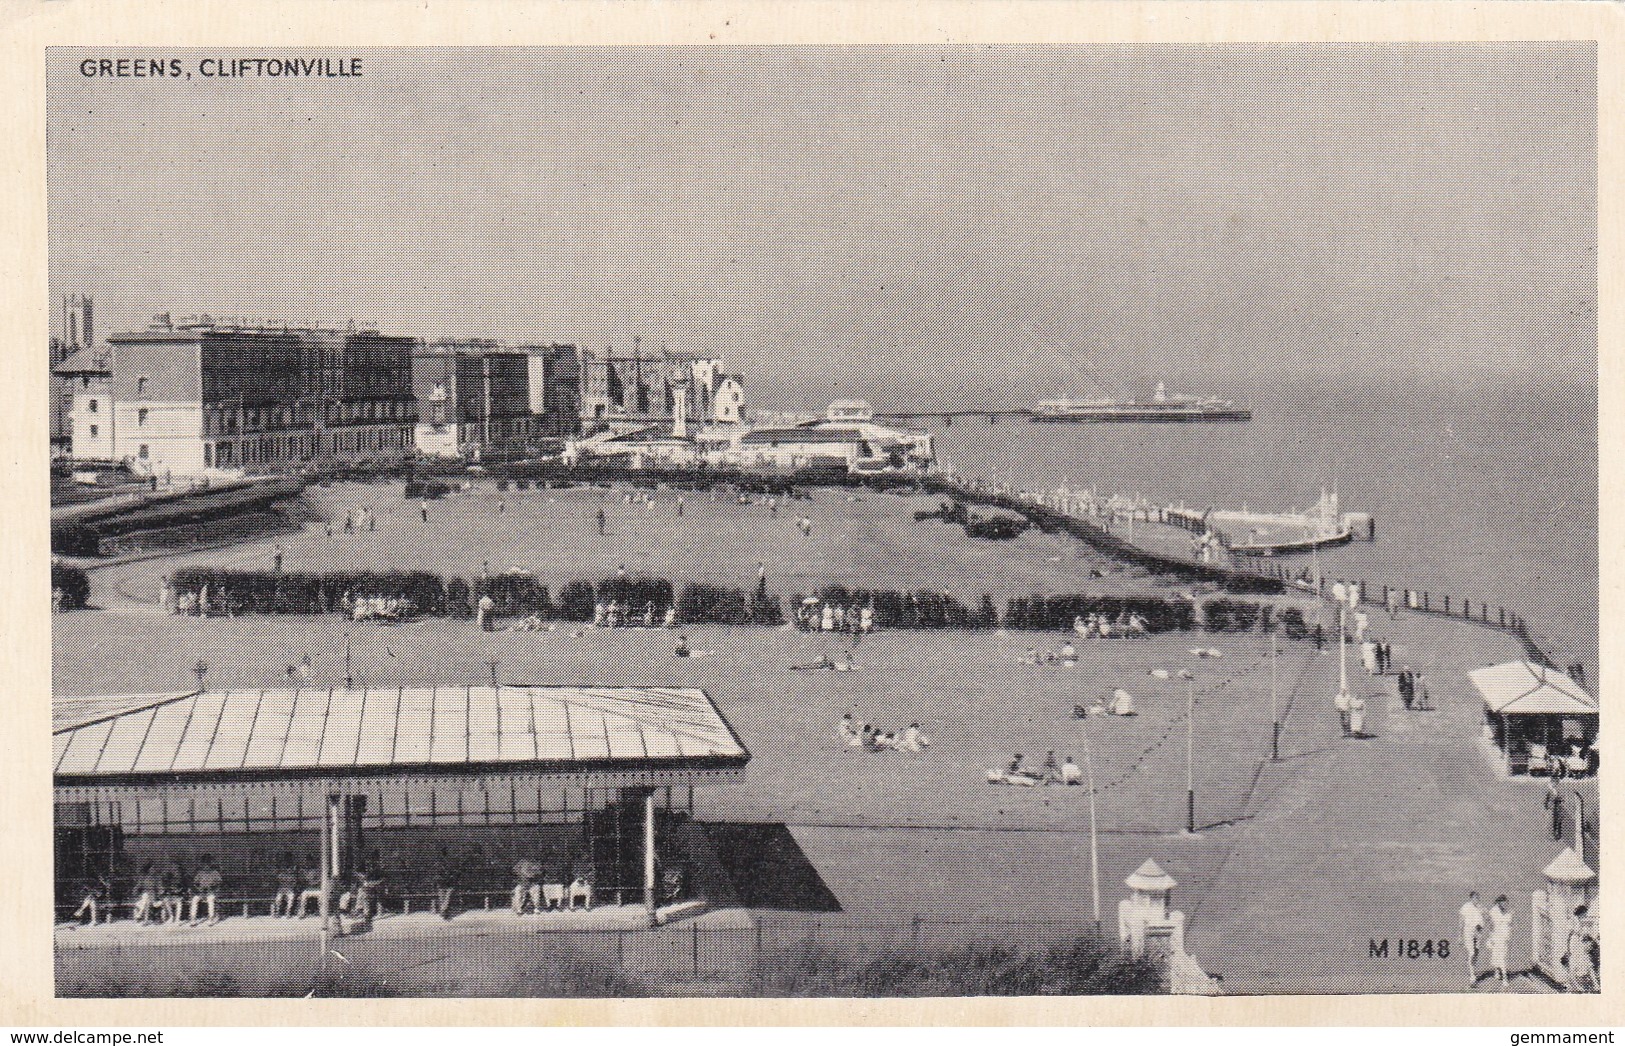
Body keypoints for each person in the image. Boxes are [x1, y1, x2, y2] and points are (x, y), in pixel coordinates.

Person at [1565, 905, 1597, 993]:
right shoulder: (1574, 921)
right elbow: (1569, 936)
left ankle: (1595, 985)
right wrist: (1568, 949)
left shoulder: (1581, 922)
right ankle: (1577, 987)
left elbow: (1585, 934)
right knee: (1573, 965)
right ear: (1581, 913)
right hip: (1574, 943)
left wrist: (1590, 940)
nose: (1585, 916)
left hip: (1579, 944)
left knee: (1586, 963)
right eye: (1584, 914)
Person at [1459, 891, 1486, 988]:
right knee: (1472, 953)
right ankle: (1472, 978)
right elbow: (1461, 922)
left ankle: (1472, 970)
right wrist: (1460, 936)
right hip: (1468, 933)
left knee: (1476, 953)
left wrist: (1483, 914)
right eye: (1474, 898)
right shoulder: (1465, 907)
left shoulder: (1480, 907)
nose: (1476, 900)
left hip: (1478, 933)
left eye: (1478, 898)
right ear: (1471, 898)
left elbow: (1487, 917)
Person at [1487, 895, 1513, 987]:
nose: (1505, 904)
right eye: (1503, 903)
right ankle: (1505, 978)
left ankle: (1497, 971)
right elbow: (1491, 926)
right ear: (1499, 903)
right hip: (1496, 937)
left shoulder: (1509, 912)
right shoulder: (1493, 912)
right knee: (1500, 958)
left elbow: (1510, 925)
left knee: (1501, 956)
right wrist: (1491, 938)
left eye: (1506, 903)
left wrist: (1508, 935)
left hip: (1505, 938)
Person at [189, 855, 224, 926]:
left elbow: (220, 883)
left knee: (210, 900)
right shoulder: (200, 873)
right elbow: (195, 883)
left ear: (210, 864)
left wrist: (213, 888)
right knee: (194, 899)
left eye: (208, 864)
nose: (206, 866)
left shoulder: (215, 873)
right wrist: (198, 889)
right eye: (204, 864)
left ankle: (210, 919)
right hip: (201, 892)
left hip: (211, 891)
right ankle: (193, 919)